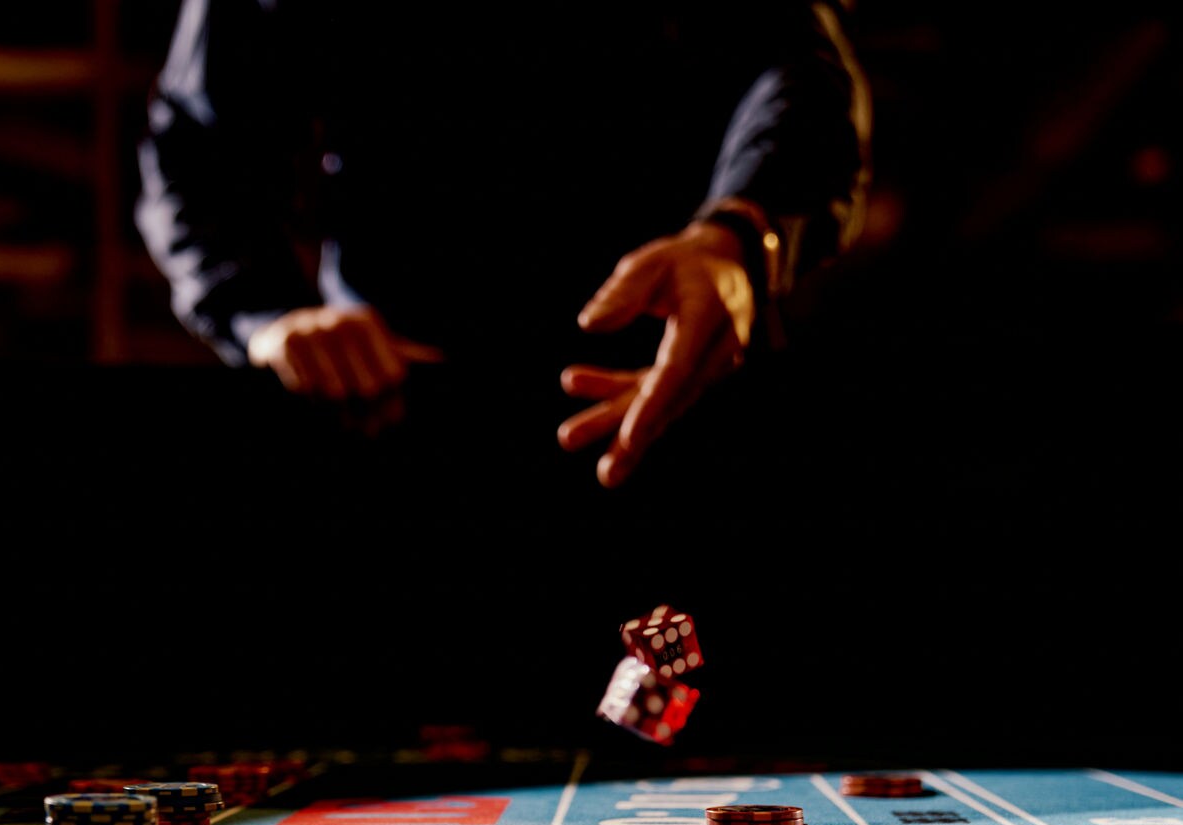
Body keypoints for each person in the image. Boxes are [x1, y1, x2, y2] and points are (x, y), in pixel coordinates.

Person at [135, 1, 871, 491]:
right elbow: (195, 146)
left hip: (668, 396)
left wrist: (733, 238)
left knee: (680, 704)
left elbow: (799, 62)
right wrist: (265, 317)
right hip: (396, 408)